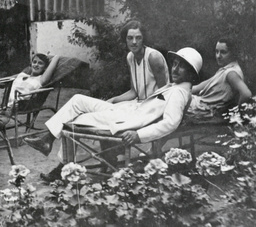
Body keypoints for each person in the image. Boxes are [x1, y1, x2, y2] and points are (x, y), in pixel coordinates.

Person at [25, 47, 202, 182]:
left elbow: (170, 123)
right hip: (126, 111)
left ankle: (62, 167)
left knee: (74, 120)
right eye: (175, 64)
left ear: (191, 74)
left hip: (126, 120)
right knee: (78, 100)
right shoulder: (175, 87)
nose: (176, 69)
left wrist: (138, 135)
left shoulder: (179, 93)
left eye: (182, 67)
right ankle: (48, 140)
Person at [107, 20, 169, 105]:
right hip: (140, 105)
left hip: (156, 106)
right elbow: (134, 92)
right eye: (130, 38)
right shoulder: (130, 57)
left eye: (138, 37)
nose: (134, 42)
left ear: (143, 39)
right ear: (125, 39)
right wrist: (113, 100)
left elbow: (164, 93)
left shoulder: (153, 57)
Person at [189, 38, 252, 118]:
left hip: (202, 110)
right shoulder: (226, 69)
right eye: (216, 51)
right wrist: (186, 89)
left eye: (223, 52)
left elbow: (246, 94)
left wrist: (237, 113)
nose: (218, 56)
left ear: (233, 53)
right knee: (174, 91)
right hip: (198, 104)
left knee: (173, 98)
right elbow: (205, 83)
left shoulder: (231, 73)